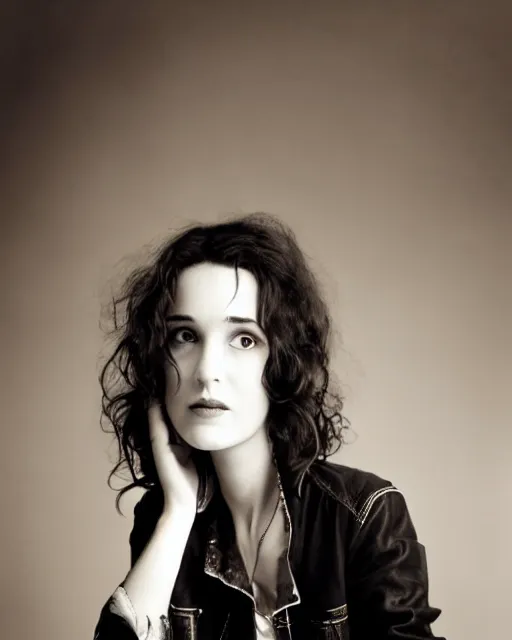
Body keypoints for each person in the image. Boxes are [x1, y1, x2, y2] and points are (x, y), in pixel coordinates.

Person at [93, 213, 445, 640]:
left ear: (282, 363)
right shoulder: (165, 516)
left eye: (243, 339)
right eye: (184, 336)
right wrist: (178, 514)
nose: (207, 372)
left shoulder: (362, 515)